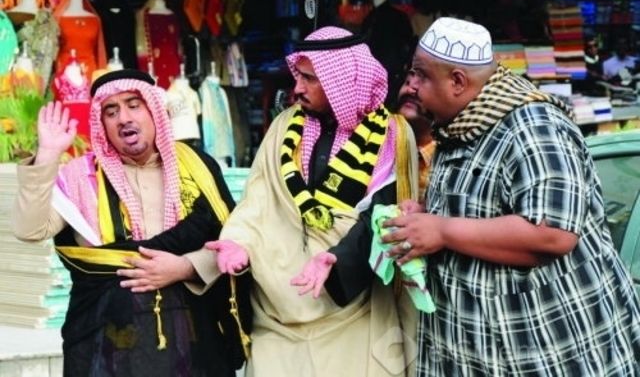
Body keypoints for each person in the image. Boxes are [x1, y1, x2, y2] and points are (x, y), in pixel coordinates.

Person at [381, 17, 640, 375]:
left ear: (457, 81)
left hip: (546, 351)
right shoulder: (461, 124)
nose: (413, 87)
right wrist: (426, 214)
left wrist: (441, 230)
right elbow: (482, 205)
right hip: (472, 349)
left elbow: (552, 233)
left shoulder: (534, 128)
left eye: (422, 76)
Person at [206, 26, 420, 377]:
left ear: (342, 82)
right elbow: (258, 197)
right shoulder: (284, 126)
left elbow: (386, 216)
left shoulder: (392, 135)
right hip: (276, 316)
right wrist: (237, 241)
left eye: (310, 79)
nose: (297, 88)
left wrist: (337, 259)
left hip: (351, 311)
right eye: (298, 76)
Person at [12, 69, 251, 376]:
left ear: (154, 110)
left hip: (194, 345)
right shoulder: (80, 177)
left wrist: (186, 267)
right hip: (106, 347)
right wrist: (47, 155)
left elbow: (231, 239)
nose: (123, 118)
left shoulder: (197, 168)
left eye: (133, 105)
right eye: (111, 112)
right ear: (102, 124)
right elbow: (30, 230)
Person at [396, 70, 435, 201]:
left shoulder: (444, 162)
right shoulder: (381, 141)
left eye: (422, 84)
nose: (410, 90)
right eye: (407, 82)